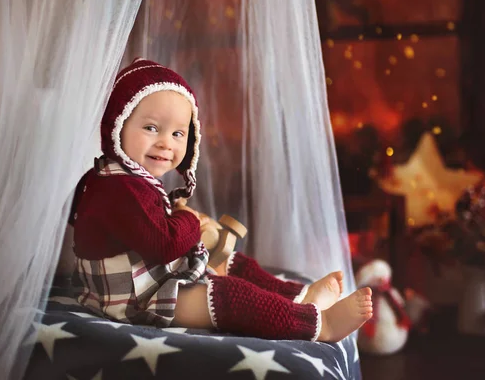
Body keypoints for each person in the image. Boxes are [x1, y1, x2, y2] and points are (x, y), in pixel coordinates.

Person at [69, 58, 373, 342]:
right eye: (151, 128)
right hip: (132, 297)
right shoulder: (118, 188)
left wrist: (187, 225)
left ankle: (299, 297)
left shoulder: (124, 178)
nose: (165, 142)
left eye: (178, 133)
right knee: (227, 296)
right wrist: (188, 220)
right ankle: (318, 325)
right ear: (117, 125)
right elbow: (162, 245)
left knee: (225, 259)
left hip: (148, 277)